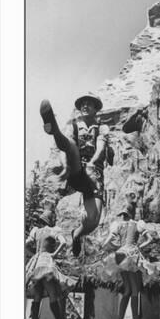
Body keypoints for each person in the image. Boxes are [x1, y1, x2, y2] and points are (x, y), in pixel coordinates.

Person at [40, 93, 109, 257]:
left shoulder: (102, 127)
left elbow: (100, 146)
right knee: (70, 146)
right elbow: (66, 150)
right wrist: (65, 167)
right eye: (83, 104)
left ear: (95, 109)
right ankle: (54, 129)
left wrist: (94, 161)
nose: (85, 106)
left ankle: (76, 234)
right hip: (78, 169)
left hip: (94, 176)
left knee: (93, 220)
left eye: (89, 104)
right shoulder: (74, 125)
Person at [102, 208, 156, 319]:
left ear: (122, 215)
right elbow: (149, 239)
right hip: (132, 255)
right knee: (135, 290)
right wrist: (139, 247)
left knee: (127, 290)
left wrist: (117, 247)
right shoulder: (137, 224)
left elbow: (106, 243)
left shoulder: (118, 225)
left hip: (120, 255)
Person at [25, 209, 70, 319]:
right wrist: (54, 254)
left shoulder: (36, 231)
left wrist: (33, 255)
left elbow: (26, 244)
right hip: (46, 264)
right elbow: (64, 242)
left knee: (37, 296)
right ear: (50, 219)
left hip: (36, 264)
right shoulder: (53, 230)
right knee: (52, 295)